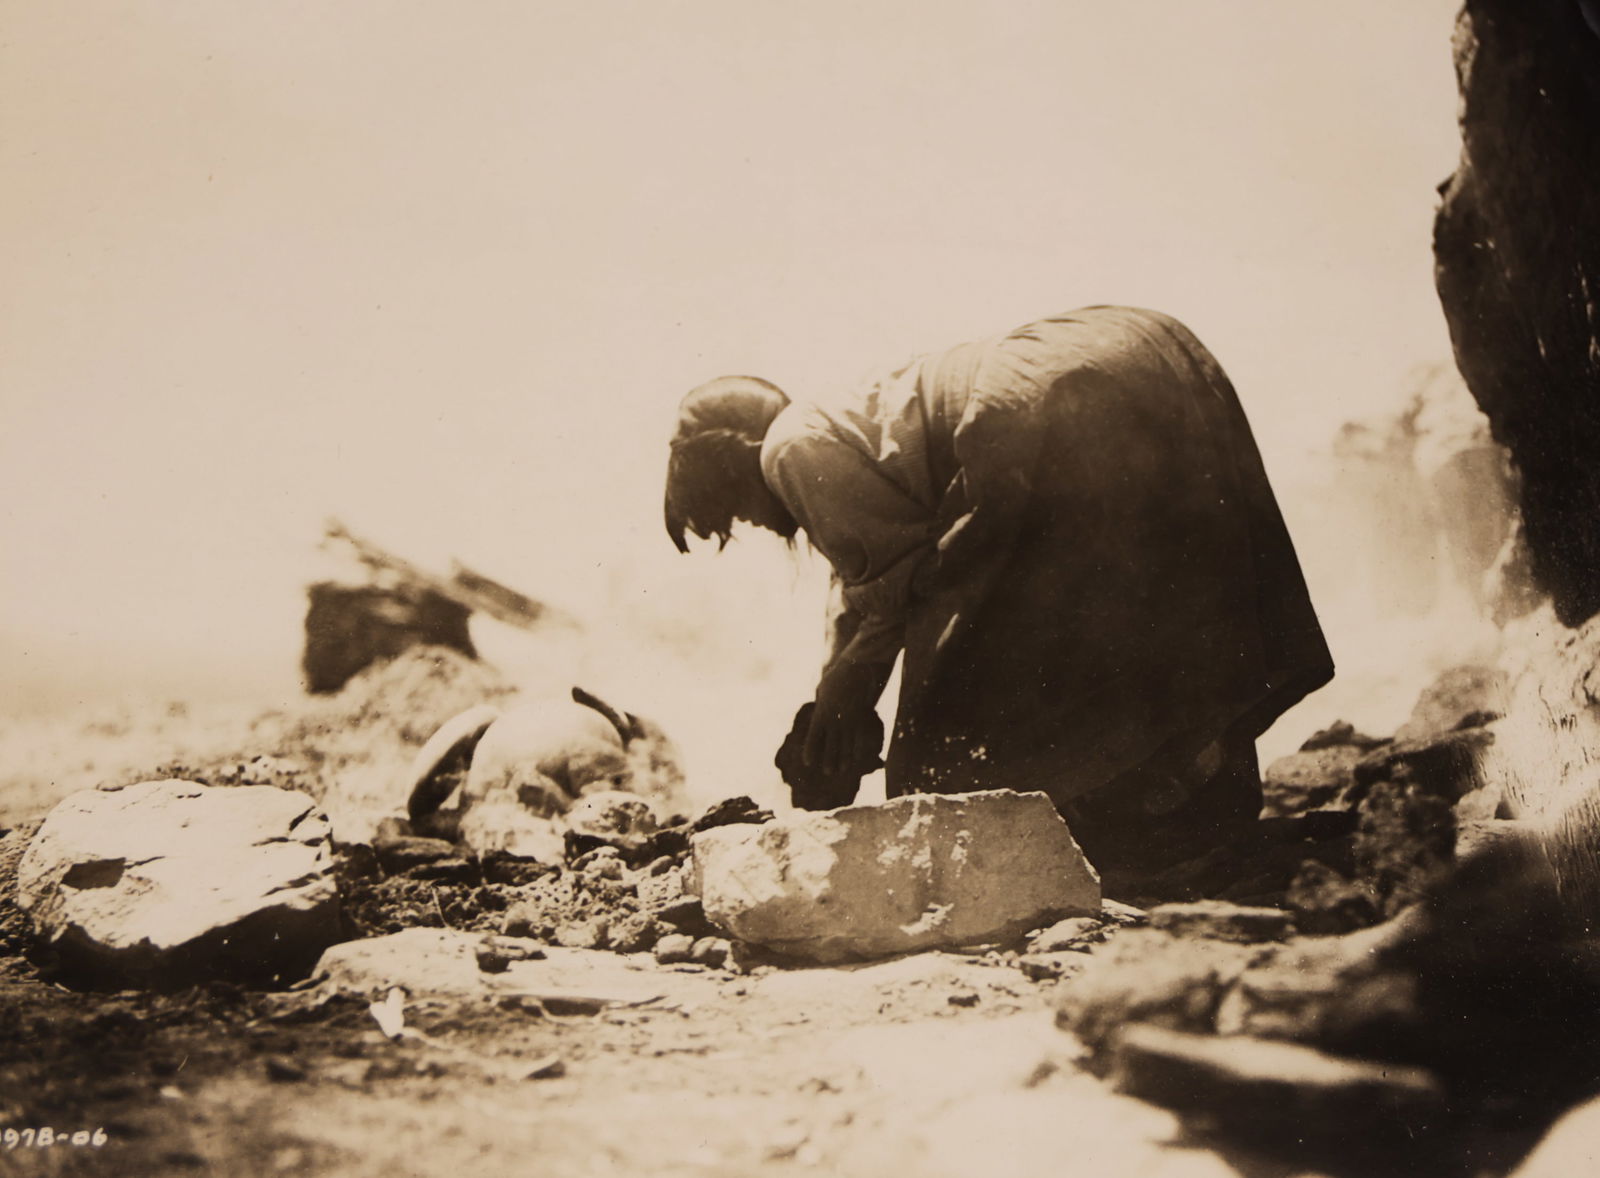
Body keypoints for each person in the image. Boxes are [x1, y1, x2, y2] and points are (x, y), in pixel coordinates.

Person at [664, 306, 1334, 874]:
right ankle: (1185, 804)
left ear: (730, 460)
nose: (753, 520)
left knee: (950, 725)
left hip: (1042, 400)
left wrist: (847, 706)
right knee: (1145, 618)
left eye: (735, 511)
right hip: (1141, 352)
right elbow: (862, 599)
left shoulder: (787, 449)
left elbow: (898, 596)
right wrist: (836, 698)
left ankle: (1105, 838)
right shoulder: (838, 427)